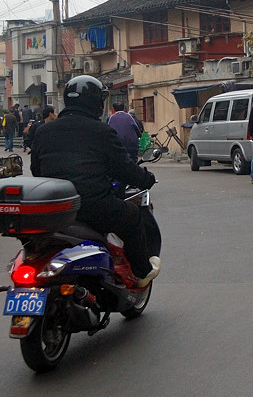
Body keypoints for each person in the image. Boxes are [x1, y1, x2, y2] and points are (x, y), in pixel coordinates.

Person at [30, 75, 160, 288]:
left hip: (55, 210)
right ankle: (142, 271)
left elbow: (37, 171)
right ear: (96, 102)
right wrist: (146, 178)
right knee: (133, 216)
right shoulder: (101, 131)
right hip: (94, 208)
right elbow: (124, 168)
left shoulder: (43, 131)